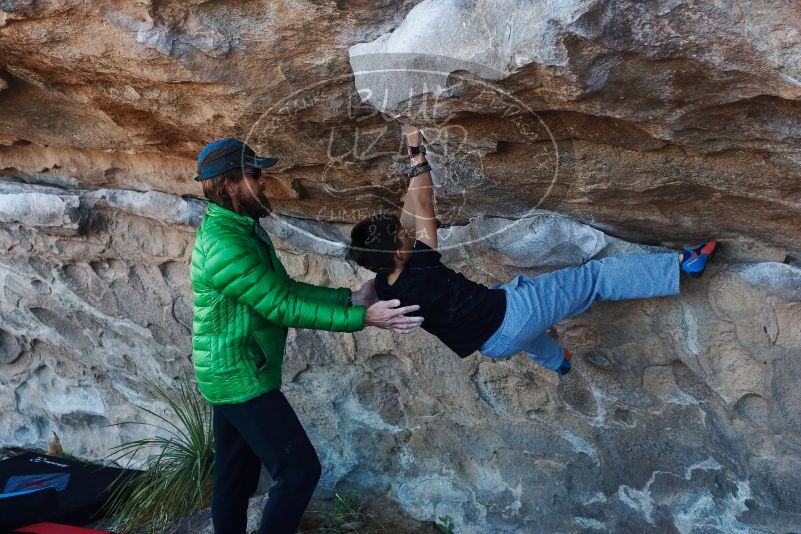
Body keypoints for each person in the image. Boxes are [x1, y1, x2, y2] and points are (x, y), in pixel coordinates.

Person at [189, 138, 424, 534]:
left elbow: (285, 289)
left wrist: (349, 298)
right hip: (239, 375)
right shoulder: (226, 243)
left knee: (235, 479)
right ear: (229, 184)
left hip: (229, 369)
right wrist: (364, 319)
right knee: (299, 472)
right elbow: (280, 305)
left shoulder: (240, 227)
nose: (264, 183)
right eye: (255, 175)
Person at [347, 126, 719, 375]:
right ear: (397, 252)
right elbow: (422, 206)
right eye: (401, 234)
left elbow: (408, 216)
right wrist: (416, 155)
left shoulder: (388, 289)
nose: (406, 229)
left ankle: (559, 362)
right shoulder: (421, 266)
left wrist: (362, 297)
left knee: (507, 307)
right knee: (594, 278)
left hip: (494, 345)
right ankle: (682, 265)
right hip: (513, 318)